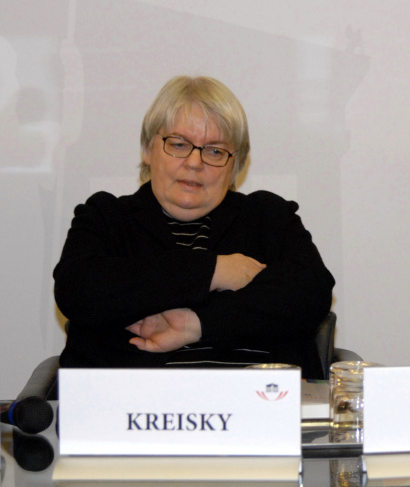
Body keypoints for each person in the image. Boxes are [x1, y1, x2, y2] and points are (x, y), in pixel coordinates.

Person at [54, 76, 335, 378]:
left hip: (258, 406)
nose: (194, 162)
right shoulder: (106, 216)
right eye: (178, 144)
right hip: (130, 410)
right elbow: (79, 291)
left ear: (235, 166)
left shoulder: (268, 216)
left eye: (215, 151)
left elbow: (311, 291)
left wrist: (197, 324)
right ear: (148, 149)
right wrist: (213, 271)